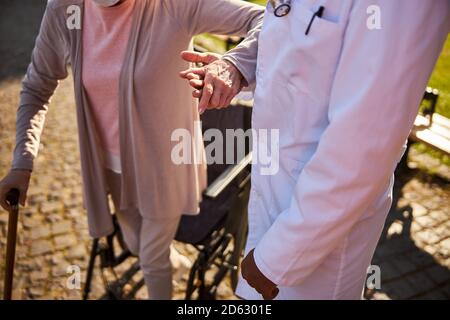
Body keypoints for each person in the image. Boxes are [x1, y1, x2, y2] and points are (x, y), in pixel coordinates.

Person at [180, 0, 450, 299]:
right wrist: (238, 64)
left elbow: (364, 149)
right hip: (271, 208)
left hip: (314, 244)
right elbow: (286, 23)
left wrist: (275, 260)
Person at [0, 0, 264, 299]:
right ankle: (172, 260)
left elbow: (268, 20)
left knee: (151, 259)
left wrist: (233, 64)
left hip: (166, 165)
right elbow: (37, 86)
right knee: (136, 243)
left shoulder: (174, 6)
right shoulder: (65, 9)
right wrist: (22, 162)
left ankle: (163, 264)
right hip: (109, 167)